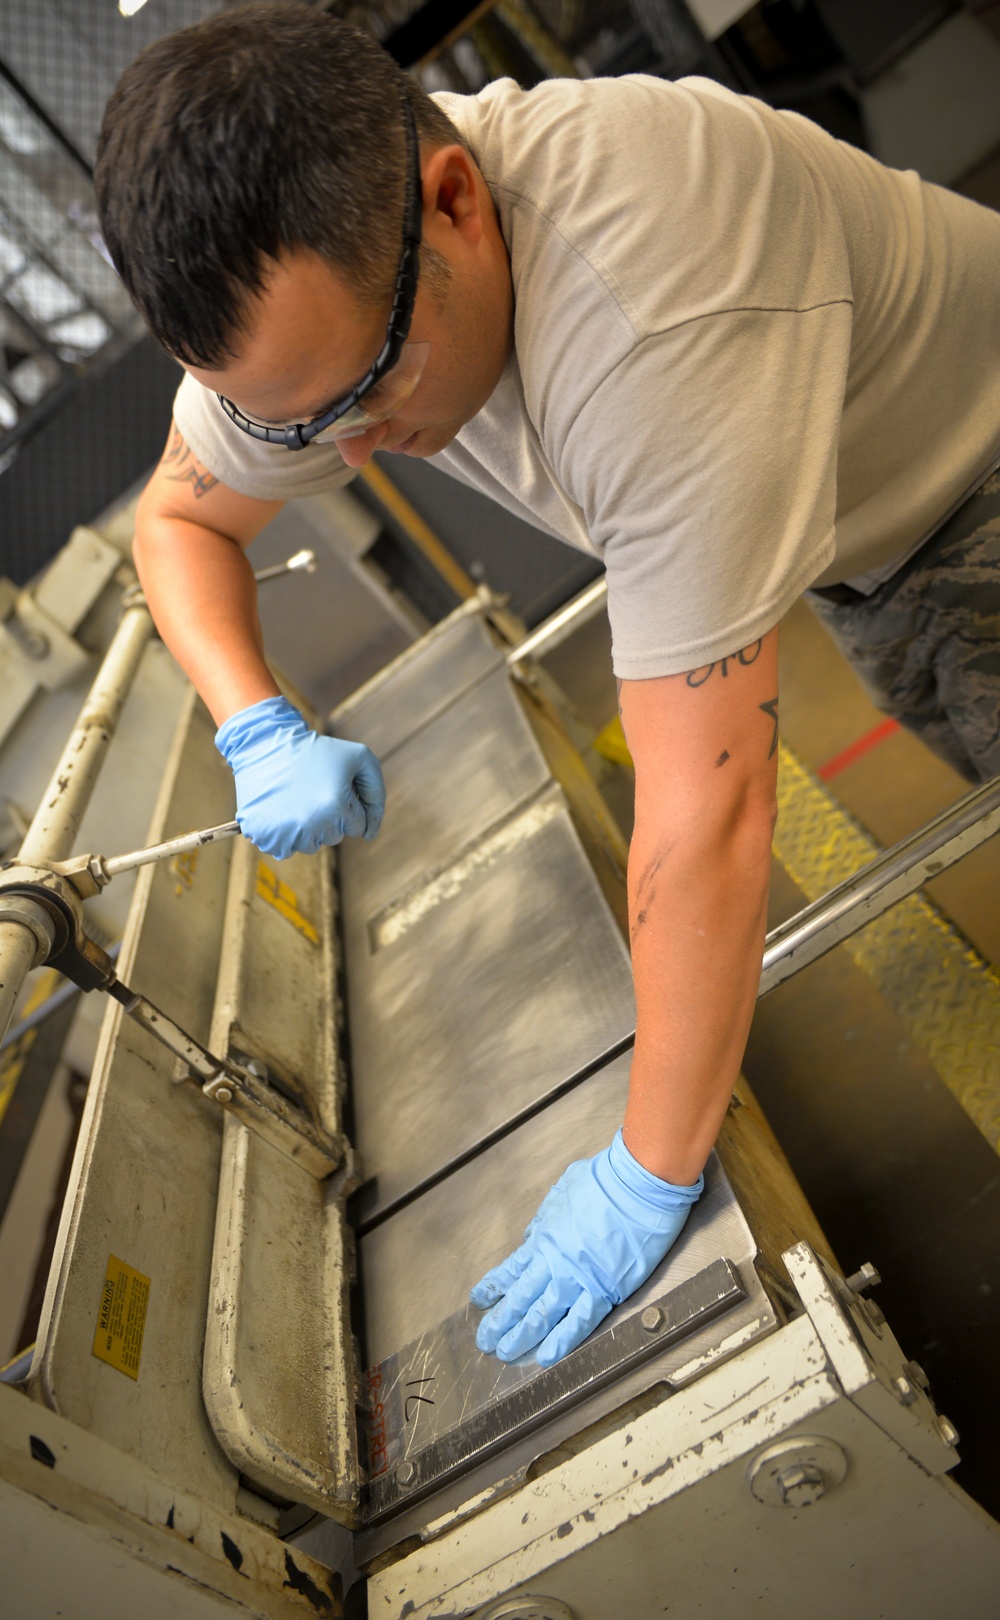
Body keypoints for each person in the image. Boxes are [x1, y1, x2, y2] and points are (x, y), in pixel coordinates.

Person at [94, 4, 1000, 1368]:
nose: (353, 449)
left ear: (453, 200)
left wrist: (647, 1166)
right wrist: (253, 718)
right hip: (868, 551)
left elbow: (709, 818)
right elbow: (176, 524)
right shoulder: (318, 327)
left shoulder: (653, 305)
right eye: (295, 428)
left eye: (365, 391)